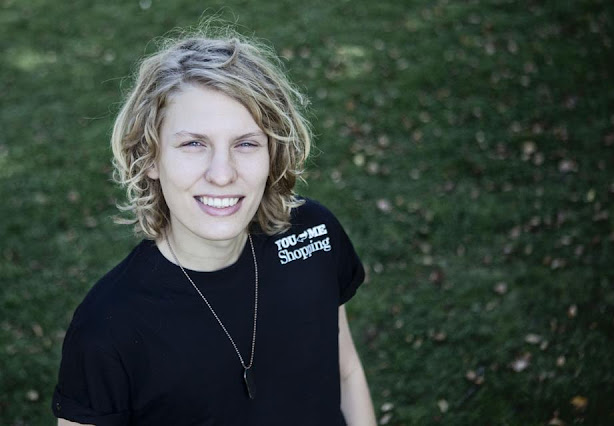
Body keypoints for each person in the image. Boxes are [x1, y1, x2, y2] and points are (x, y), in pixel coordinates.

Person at [52, 27, 376, 426]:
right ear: (150, 158)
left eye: (246, 143)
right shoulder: (106, 328)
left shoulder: (315, 233)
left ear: (273, 154)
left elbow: (346, 372)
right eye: (194, 144)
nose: (222, 174)